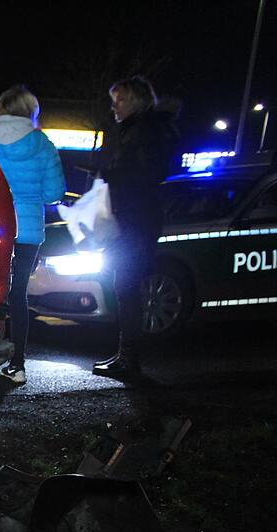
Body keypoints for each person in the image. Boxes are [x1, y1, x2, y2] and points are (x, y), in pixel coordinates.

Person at [93, 76, 177, 380]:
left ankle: (129, 358)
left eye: (121, 99)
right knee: (124, 285)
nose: (115, 105)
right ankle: (127, 354)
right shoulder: (142, 129)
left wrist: (111, 174)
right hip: (135, 220)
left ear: (137, 101)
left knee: (126, 285)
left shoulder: (144, 132)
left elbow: (140, 175)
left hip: (134, 221)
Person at [0, 85, 65, 385]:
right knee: (18, 295)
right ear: (31, 112)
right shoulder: (42, 144)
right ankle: (17, 365)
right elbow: (55, 192)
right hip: (29, 229)